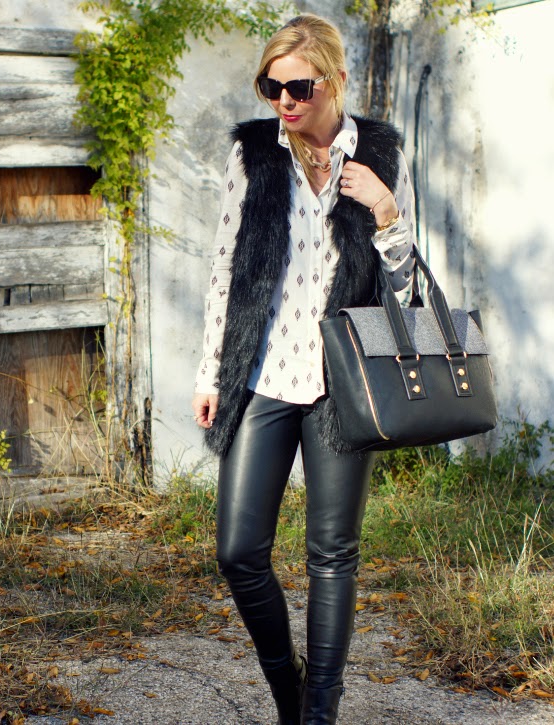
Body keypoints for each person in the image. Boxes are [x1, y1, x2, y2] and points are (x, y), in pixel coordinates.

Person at [191, 14, 415, 725]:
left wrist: (385, 211)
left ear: (335, 80)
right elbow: (226, 269)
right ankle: (290, 691)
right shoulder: (254, 155)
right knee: (238, 549)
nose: (283, 101)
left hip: (338, 386)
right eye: (271, 86)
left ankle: (319, 714)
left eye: (298, 86)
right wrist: (208, 372)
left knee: (331, 556)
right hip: (262, 374)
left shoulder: (378, 153)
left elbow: (405, 293)